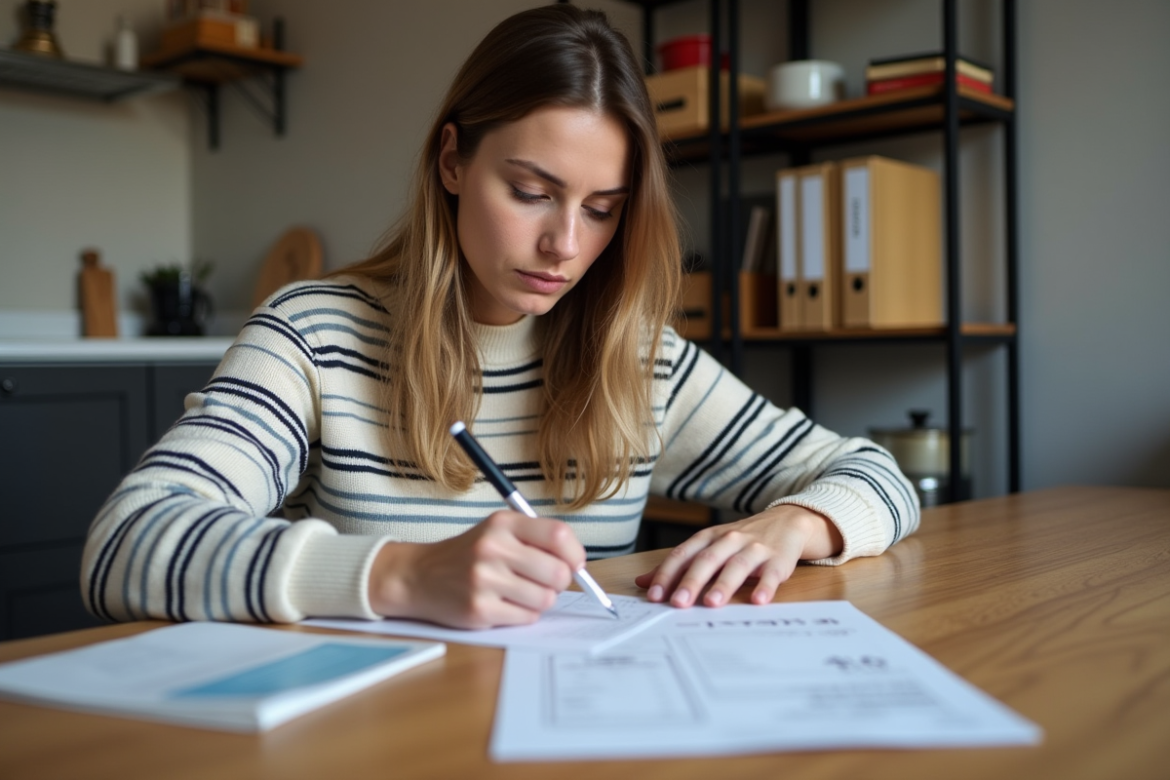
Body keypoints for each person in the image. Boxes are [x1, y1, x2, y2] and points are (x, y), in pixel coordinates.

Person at [82, 5, 918, 631]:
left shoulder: (638, 359)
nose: (563, 243)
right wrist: (399, 576)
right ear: (452, 160)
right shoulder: (315, 336)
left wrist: (797, 522)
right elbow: (127, 543)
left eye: (602, 209)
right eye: (530, 192)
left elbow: (879, 476)